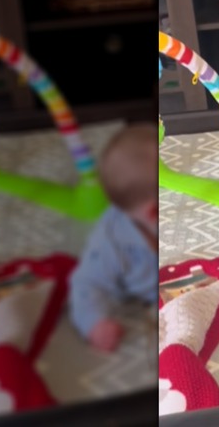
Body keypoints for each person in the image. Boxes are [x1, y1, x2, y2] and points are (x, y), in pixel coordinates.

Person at [68, 123, 159, 352]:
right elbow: (85, 284)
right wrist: (94, 324)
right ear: (154, 211)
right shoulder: (109, 242)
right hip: (142, 302)